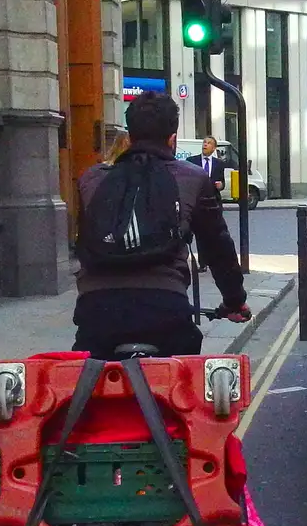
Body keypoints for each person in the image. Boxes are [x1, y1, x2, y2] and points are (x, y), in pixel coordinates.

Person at [72, 93, 249, 358]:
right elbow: (217, 247)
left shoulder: (91, 179)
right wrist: (234, 300)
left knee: (89, 385)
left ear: (129, 137)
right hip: (165, 309)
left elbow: (83, 243)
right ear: (172, 139)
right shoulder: (192, 177)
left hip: (96, 312)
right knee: (184, 383)